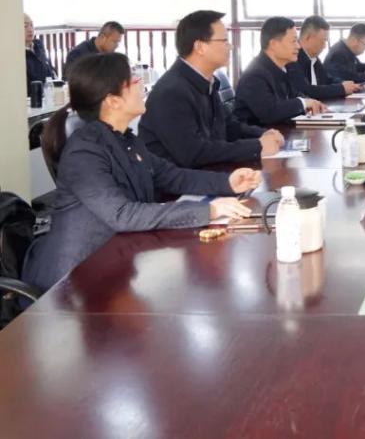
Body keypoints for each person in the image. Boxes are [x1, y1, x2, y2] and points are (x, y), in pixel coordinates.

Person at [22, 53, 259, 291]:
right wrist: (209, 210)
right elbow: (123, 214)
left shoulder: (126, 140)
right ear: (113, 101)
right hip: (74, 280)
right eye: (134, 80)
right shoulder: (84, 153)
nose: (141, 84)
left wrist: (228, 182)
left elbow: (173, 176)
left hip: (116, 262)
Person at [139, 10, 285, 167]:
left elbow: (229, 127)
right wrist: (257, 146)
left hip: (208, 172)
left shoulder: (205, 81)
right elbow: (194, 153)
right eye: (224, 41)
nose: (231, 47)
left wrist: (263, 134)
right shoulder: (171, 92)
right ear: (200, 47)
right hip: (180, 181)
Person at [234, 17, 327, 126]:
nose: (298, 46)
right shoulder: (254, 75)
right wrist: (303, 103)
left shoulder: (283, 67)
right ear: (274, 44)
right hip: (258, 134)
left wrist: (312, 103)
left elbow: (295, 95)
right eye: (293, 41)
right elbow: (270, 111)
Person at [286, 15, 364, 101]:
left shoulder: (314, 58)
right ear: (308, 37)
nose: (324, 46)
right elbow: (306, 90)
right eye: (323, 40)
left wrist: (343, 84)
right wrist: (341, 88)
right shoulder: (293, 58)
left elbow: (327, 80)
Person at [24, 13, 56, 93]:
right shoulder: (17, 53)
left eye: (31, 25)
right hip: (34, 95)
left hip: (49, 90)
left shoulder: (38, 45)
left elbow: (49, 69)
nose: (30, 29)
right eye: (25, 26)